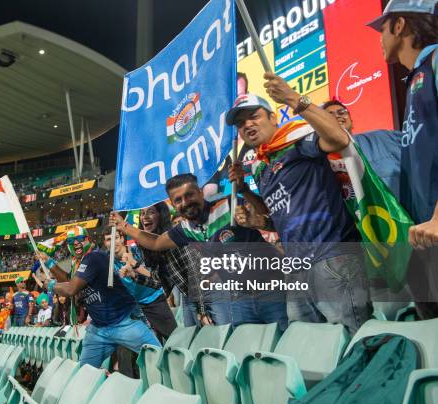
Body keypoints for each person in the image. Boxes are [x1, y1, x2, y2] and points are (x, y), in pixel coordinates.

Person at [226, 86, 372, 335]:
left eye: (254, 116)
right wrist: (246, 194)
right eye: (240, 123)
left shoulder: (298, 139)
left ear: (272, 117)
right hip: (296, 269)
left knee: (356, 341)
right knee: (312, 351)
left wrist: (296, 100)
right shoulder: (262, 167)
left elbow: (339, 138)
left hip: (332, 256)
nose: (247, 125)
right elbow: (277, 218)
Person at [110, 174, 284, 329]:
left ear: (200, 192)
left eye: (189, 195)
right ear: (174, 205)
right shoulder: (185, 229)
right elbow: (155, 242)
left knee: (285, 346)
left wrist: (247, 195)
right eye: (178, 200)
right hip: (239, 299)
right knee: (250, 354)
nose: (185, 202)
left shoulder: (228, 205)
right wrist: (123, 226)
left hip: (272, 291)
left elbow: (267, 215)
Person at [367, 0, 438, 317]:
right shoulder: (415, 80)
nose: (380, 38)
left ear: (399, 26)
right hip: (425, 239)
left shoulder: (437, 61)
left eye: (382, 28)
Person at [39, 226, 160, 369]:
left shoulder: (93, 257)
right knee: (86, 372)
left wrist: (50, 285)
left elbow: (71, 288)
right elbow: (69, 280)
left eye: (80, 239)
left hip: (124, 321)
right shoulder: (77, 263)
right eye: (71, 241)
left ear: (88, 240)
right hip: (99, 329)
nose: (76, 243)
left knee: (161, 360)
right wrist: (49, 262)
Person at [103, 226, 177, 342]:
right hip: (135, 308)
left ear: (122, 239)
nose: (113, 243)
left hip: (154, 299)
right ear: (105, 243)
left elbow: (153, 277)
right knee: (149, 347)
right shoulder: (106, 262)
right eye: (108, 240)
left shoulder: (137, 251)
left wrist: (134, 267)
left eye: (116, 238)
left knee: (173, 340)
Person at [322, 99, 402, 198]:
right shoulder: (320, 161)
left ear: (352, 122)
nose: (337, 116)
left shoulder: (383, 138)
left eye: (342, 112)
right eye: (330, 115)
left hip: (400, 211)